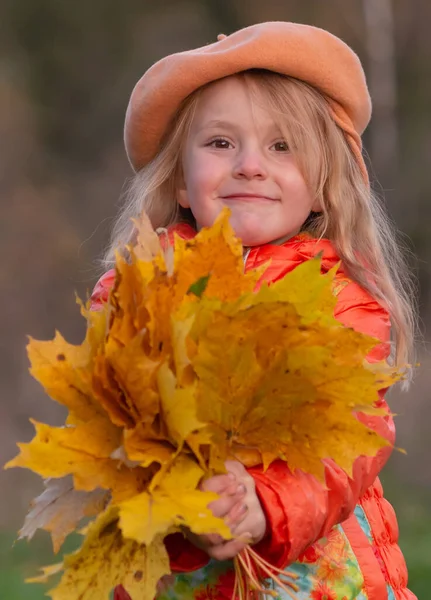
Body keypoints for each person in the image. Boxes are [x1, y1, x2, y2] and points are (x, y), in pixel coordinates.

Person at [90, 22, 417, 600]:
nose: (249, 165)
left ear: (322, 187)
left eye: (282, 145)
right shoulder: (136, 293)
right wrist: (188, 499)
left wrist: (263, 504)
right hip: (170, 571)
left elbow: (350, 440)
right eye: (220, 143)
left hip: (315, 576)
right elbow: (113, 428)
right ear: (184, 184)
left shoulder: (342, 298)